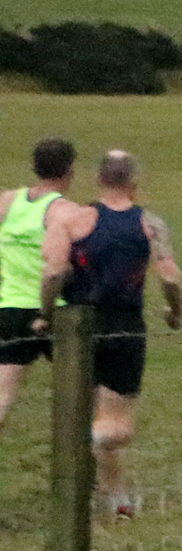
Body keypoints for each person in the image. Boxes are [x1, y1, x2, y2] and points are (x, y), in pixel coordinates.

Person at [38, 150, 182, 518]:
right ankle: (98, 464)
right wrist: (175, 311)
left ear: (98, 179)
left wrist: (46, 314)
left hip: (77, 326)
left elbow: (53, 272)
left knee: (87, 409)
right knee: (116, 425)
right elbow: (170, 278)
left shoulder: (74, 219)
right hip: (124, 325)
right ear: (134, 182)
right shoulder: (149, 223)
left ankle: (114, 496)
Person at [0, 137, 77, 436]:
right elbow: (58, 268)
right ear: (69, 170)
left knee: (3, 395)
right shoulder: (63, 210)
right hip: (56, 310)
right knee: (78, 392)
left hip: (11, 307)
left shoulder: (7, 201)